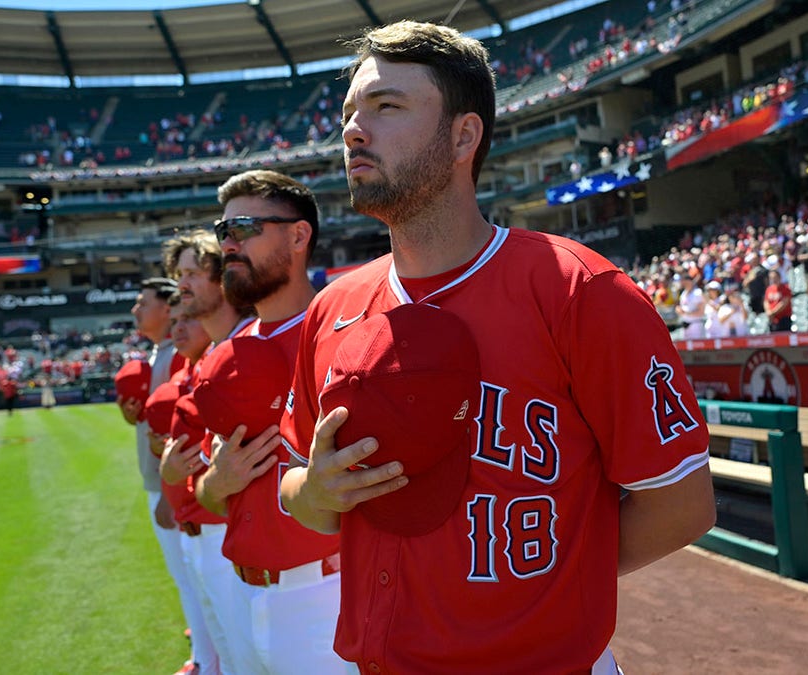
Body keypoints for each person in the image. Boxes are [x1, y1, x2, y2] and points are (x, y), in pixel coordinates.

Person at [278, 21, 714, 673]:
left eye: (386, 106)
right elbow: (295, 488)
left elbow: (681, 502)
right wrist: (315, 492)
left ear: (464, 135)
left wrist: (550, 594)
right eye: (349, 112)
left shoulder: (579, 289)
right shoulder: (332, 309)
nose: (353, 129)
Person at [189, 170, 346, 674]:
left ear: (299, 236)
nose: (228, 244)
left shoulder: (345, 331)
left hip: (325, 592)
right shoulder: (223, 354)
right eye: (223, 231)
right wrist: (216, 481)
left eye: (245, 228)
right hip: (241, 590)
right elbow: (210, 495)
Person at [157, 231, 253, 675]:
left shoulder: (248, 345)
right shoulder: (212, 354)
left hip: (238, 537)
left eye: (194, 272)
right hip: (210, 526)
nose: (183, 285)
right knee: (233, 660)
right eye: (180, 275)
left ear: (223, 277)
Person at [118, 276, 204, 675]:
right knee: (188, 579)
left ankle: (204, 661)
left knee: (191, 579)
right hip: (163, 481)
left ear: (167, 308)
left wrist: (173, 495)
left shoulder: (174, 354)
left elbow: (179, 431)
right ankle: (205, 650)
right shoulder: (158, 354)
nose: (136, 309)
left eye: (142, 302)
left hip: (174, 485)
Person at [675, 274, 706, 338]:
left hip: (695, 325)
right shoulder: (683, 293)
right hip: (685, 324)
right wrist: (678, 309)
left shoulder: (697, 292)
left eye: (685, 282)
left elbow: (701, 312)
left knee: (697, 346)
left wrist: (686, 313)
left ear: (689, 281)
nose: (683, 284)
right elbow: (682, 307)